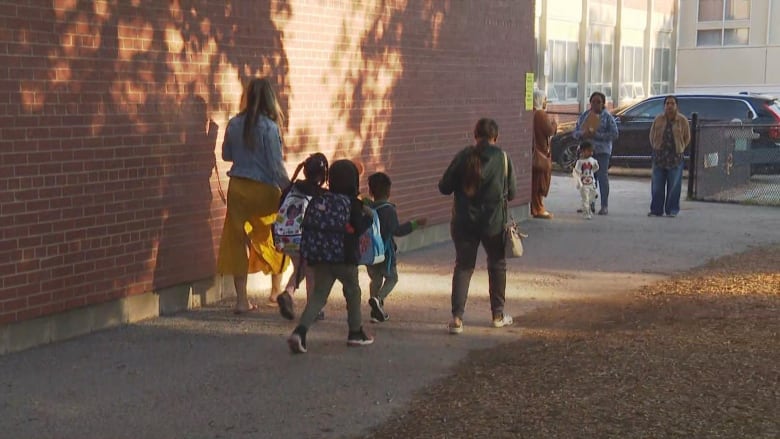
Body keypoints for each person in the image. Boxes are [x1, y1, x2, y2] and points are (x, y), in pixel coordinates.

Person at [217, 77, 290, 314]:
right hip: (265, 190)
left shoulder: (234, 123)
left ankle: (241, 301)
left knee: (237, 241)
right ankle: (275, 291)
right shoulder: (270, 127)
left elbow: (227, 155)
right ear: (271, 98)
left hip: (238, 188)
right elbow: (276, 165)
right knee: (275, 236)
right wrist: (289, 188)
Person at [287, 159, 374, 354]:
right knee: (352, 291)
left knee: (318, 295)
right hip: (345, 258)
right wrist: (368, 215)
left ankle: (300, 332)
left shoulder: (322, 198)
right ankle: (355, 332)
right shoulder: (353, 203)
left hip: (321, 256)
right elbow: (360, 227)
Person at [438, 118, 516, 335]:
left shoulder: (464, 156)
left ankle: (457, 318)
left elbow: (444, 187)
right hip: (494, 223)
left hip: (463, 222)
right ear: (496, 137)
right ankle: (498, 315)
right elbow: (513, 192)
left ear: (475, 135)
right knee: (497, 265)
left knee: (463, 267)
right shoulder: (503, 158)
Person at [364, 172, 428, 323]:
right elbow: (397, 230)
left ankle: (375, 312)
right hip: (386, 252)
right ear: (389, 191)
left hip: (370, 252)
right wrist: (415, 224)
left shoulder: (367, 208)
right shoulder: (388, 210)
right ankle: (378, 300)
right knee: (392, 278)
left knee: (375, 279)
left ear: (371, 191)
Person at [275, 153, 329, 321]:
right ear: (322, 175)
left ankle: (288, 294)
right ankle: (312, 307)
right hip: (304, 238)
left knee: (300, 267)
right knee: (310, 272)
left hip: (284, 237)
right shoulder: (319, 193)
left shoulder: (292, 186)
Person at [573, 91, 619, 215]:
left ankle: (604, 205)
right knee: (588, 179)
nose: (596, 104)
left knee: (602, 178)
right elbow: (575, 132)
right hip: (587, 153)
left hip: (602, 152)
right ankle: (588, 204)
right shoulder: (585, 116)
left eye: (598, 102)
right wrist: (583, 134)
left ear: (603, 103)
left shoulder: (607, 117)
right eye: (593, 102)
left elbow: (615, 134)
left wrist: (597, 135)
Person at [648, 95, 691, 218]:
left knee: (674, 186)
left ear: (676, 106)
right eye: (667, 103)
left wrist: (680, 148)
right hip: (659, 156)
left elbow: (687, 138)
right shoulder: (658, 119)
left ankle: (672, 210)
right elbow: (652, 135)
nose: (670, 106)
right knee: (657, 185)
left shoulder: (682, 120)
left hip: (675, 157)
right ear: (664, 106)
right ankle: (656, 210)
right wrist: (656, 147)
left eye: (672, 103)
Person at [531, 90, 558, 219]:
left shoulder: (532, 113)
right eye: (545, 99)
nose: (546, 102)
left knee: (536, 181)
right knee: (540, 182)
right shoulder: (540, 114)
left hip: (535, 150)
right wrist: (554, 122)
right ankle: (538, 208)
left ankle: (536, 207)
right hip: (541, 152)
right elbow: (550, 131)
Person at [572, 141, 600, 220]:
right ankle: (586, 213)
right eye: (589, 151)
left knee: (593, 195)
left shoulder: (593, 160)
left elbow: (596, 167)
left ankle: (587, 208)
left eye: (592, 151)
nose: (591, 153)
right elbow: (576, 172)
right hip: (583, 184)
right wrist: (578, 181)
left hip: (591, 182)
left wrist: (591, 173)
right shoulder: (579, 162)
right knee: (585, 199)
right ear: (582, 151)